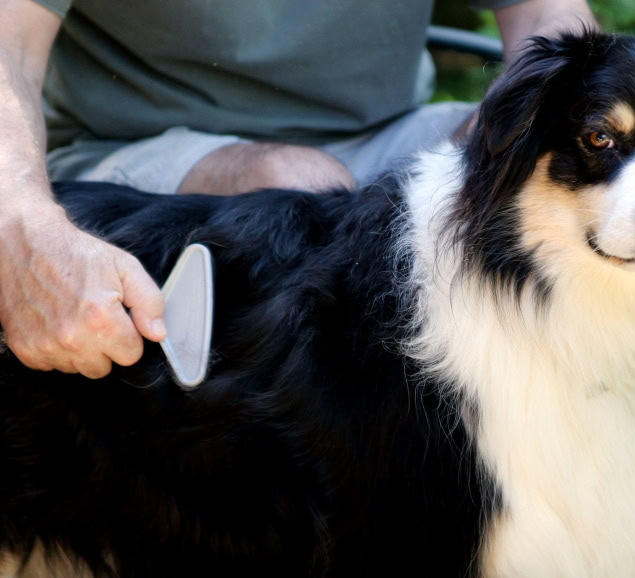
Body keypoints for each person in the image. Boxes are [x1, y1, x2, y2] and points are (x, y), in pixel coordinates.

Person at [0, 0, 597, 379]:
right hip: (139, 145)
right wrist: (21, 220)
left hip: (387, 133)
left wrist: (513, 132)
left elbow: (550, 17)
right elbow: (9, 45)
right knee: (300, 192)